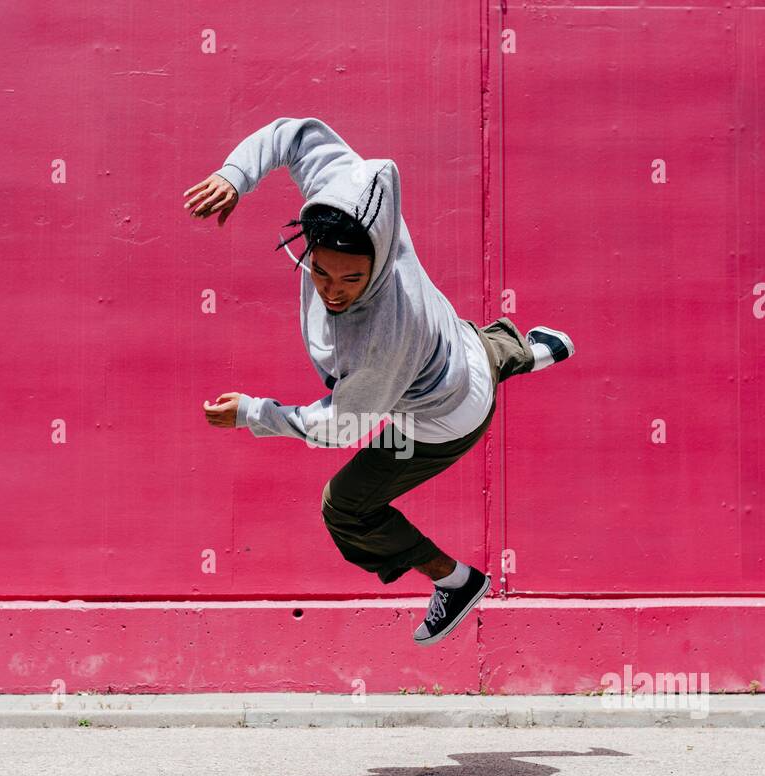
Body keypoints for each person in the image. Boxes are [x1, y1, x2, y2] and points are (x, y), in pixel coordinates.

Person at [185, 117, 574, 646]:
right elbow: (293, 136)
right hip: (457, 344)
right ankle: (531, 350)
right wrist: (236, 175)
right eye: (321, 271)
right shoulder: (353, 194)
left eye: (352, 278)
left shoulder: (379, 343)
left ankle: (456, 582)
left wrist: (255, 414)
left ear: (379, 258)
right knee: (469, 350)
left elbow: (340, 427)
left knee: (344, 507)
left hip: (438, 421)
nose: (333, 291)